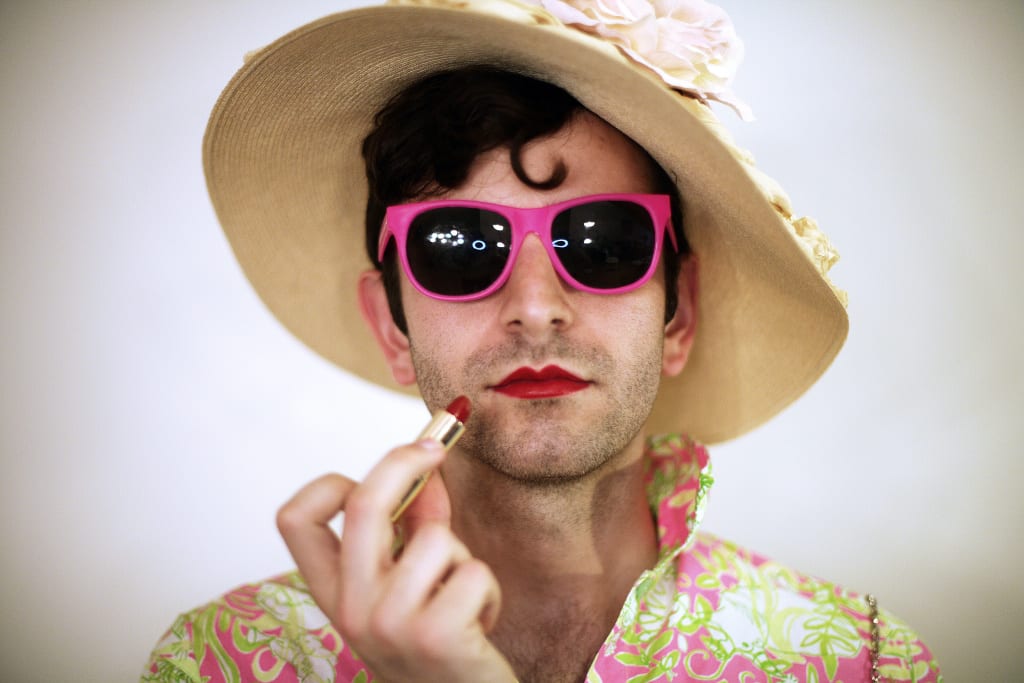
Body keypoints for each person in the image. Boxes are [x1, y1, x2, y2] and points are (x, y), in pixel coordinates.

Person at [143, 1, 940, 681]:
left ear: (680, 312)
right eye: (460, 246)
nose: (535, 309)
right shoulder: (222, 661)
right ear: (391, 324)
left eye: (603, 243)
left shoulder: (860, 660)